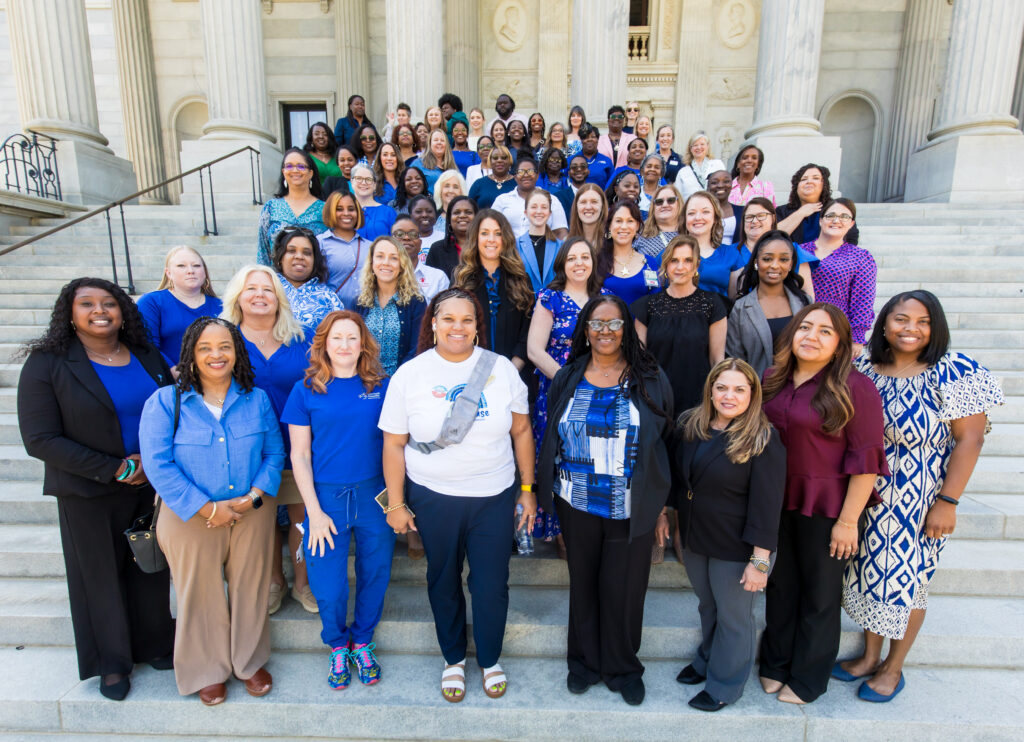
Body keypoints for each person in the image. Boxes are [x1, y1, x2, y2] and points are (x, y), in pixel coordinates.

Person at [837, 291, 1003, 702]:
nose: (910, 329)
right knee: (871, 577)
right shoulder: (863, 367)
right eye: (901, 319)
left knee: (907, 585)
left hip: (919, 496)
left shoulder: (955, 370)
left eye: (922, 321)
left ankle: (893, 668)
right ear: (884, 323)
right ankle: (869, 655)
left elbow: (971, 439)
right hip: (867, 493)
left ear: (936, 326)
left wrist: (947, 502)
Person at [19, 278, 175, 701]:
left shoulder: (145, 355)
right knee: (99, 578)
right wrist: (117, 469)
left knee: (150, 569)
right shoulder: (48, 362)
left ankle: (157, 645)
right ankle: (112, 663)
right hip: (88, 491)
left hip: (149, 485)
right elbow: (40, 439)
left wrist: (153, 461)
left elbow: (173, 407)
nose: (99, 310)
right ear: (69, 313)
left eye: (109, 303)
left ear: (124, 310)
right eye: (86, 304)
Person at [379, 288, 537, 702]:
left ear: (477, 326)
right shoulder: (410, 374)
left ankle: (489, 658)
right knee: (442, 578)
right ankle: (453, 659)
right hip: (435, 496)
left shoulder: (500, 369)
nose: (457, 327)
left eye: (467, 320)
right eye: (448, 319)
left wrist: (527, 489)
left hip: (495, 495)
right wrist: (396, 503)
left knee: (491, 584)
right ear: (433, 323)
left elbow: (521, 431)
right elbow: (394, 443)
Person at [535, 294, 674, 706]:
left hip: (630, 503)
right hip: (575, 500)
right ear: (585, 329)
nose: (606, 331)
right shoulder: (570, 374)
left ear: (627, 329)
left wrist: (662, 506)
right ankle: (583, 663)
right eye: (597, 323)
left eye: (615, 323)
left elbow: (664, 441)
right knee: (584, 584)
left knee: (625, 588)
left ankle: (622, 667)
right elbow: (554, 432)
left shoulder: (649, 376)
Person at [140, 317, 284, 705]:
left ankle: (249, 663)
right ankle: (207, 669)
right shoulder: (165, 401)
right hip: (189, 516)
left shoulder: (256, 399)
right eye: (205, 348)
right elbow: (158, 464)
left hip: (251, 510)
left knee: (250, 588)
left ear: (237, 352)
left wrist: (256, 496)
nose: (216, 355)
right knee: (199, 593)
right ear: (190, 354)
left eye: (224, 346)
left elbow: (274, 453)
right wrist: (205, 507)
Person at [758, 303, 888, 705]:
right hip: (776, 502)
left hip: (829, 506)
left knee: (819, 594)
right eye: (805, 327)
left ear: (840, 344)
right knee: (781, 587)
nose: (812, 336)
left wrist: (848, 522)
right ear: (791, 334)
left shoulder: (855, 387)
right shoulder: (772, 378)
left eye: (825, 331)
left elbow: (867, 459)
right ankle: (776, 663)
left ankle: (808, 677)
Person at [283, 311, 393, 689]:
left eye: (352, 338)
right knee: (327, 582)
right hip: (325, 498)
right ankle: (336, 643)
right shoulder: (305, 390)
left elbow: (397, 444)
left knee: (375, 572)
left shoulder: (382, 384)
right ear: (324, 344)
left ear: (363, 343)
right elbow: (299, 455)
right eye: (336, 338)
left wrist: (397, 499)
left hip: (374, 495)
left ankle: (362, 641)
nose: (344, 345)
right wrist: (312, 511)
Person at [672, 359, 786, 711]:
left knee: (735, 618)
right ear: (710, 390)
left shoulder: (764, 438)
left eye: (739, 389)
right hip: (696, 538)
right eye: (722, 387)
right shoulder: (693, 425)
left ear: (752, 394)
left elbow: (768, 506)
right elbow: (682, 482)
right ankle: (707, 659)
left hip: (738, 547)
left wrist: (760, 560)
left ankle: (724, 685)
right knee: (708, 606)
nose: (729, 395)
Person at [221, 265, 314, 616]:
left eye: (268, 289)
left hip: (298, 443)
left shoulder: (301, 338)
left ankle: (303, 582)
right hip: (248, 447)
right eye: (251, 289)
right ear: (238, 298)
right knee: (262, 519)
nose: (260, 295)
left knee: (301, 517)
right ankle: (275, 581)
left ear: (279, 298)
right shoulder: (225, 338)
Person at [526, 238, 609, 549]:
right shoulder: (550, 298)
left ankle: (587, 520)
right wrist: (569, 381)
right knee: (558, 454)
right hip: (559, 388)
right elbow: (535, 349)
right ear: (562, 264)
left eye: (585, 257)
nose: (579, 263)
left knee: (589, 456)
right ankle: (558, 526)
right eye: (572, 258)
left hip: (599, 390)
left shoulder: (605, 300)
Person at [633, 234, 727, 416]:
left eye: (687, 260)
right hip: (656, 401)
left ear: (696, 265)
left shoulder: (712, 305)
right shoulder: (646, 306)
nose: (680, 267)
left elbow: (717, 360)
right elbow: (640, 362)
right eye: (674, 260)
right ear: (666, 265)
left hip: (698, 403)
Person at [452, 210, 535, 368]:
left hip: (515, 372)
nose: (491, 240)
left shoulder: (521, 279)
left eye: (498, 233)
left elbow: (528, 332)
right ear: (476, 238)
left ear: (505, 239)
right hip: (469, 371)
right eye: (484, 233)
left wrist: (511, 370)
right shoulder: (461, 278)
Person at [727, 231, 812, 376]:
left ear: (791, 264)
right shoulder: (740, 309)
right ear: (756, 262)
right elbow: (735, 360)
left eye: (783, 260)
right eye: (767, 259)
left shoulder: (805, 303)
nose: (775, 265)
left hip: (800, 391)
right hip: (759, 392)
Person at [800, 198, 877, 352]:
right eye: (831, 215)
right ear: (821, 220)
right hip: (800, 321)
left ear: (851, 223)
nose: (837, 220)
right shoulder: (800, 250)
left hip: (835, 326)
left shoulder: (860, 257)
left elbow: (863, 299)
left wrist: (857, 337)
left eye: (844, 217)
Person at [354, 236, 427, 376]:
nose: (386, 263)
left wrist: (396, 381)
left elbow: (417, 349)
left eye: (393, 258)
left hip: (401, 382)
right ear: (371, 262)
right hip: (364, 382)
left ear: (402, 265)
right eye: (380, 256)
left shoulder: (416, 303)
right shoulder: (359, 302)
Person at [137, 246, 222, 366]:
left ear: (205, 272)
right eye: (181, 266)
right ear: (168, 273)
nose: (190, 271)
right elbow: (147, 345)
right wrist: (175, 372)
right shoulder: (151, 302)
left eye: (196, 266)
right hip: (170, 378)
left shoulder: (220, 305)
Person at [732, 197, 816, 300]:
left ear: (773, 218)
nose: (754, 221)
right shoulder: (730, 252)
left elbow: (808, 294)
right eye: (749, 217)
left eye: (761, 216)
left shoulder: (793, 250)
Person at [257, 148, 326, 266]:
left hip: (316, 280)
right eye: (289, 166)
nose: (295, 170)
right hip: (277, 280)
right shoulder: (271, 207)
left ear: (311, 173)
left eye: (301, 166)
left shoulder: (324, 209)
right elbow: (263, 252)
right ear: (283, 171)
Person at [272, 226, 344, 330]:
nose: (299, 256)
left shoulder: (329, 298)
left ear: (315, 260)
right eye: (291, 251)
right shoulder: (267, 290)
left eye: (307, 253)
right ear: (280, 257)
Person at [682, 190, 744, 300]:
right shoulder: (669, 254)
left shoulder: (731, 255)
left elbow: (735, 301)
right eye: (691, 213)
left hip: (719, 316)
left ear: (715, 218)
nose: (698, 217)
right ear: (685, 218)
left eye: (705, 212)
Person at [598, 200, 660, 306]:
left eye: (630, 221)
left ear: (637, 226)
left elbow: (656, 304)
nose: (624, 226)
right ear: (609, 226)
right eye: (618, 221)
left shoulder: (649, 263)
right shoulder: (597, 262)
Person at [493, 157, 570, 239]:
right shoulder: (502, 200)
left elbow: (561, 232)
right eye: (521, 172)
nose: (526, 175)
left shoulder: (552, 200)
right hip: (510, 250)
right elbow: (492, 228)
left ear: (537, 175)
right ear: (515, 177)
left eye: (530, 171)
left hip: (543, 249)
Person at [317, 190, 370, 309]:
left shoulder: (370, 247)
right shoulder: (320, 243)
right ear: (330, 211)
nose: (346, 213)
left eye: (351, 209)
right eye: (339, 209)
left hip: (367, 315)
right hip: (333, 315)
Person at [776, 163, 843, 245]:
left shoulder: (837, 210)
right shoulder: (781, 211)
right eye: (803, 179)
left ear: (824, 184)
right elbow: (772, 238)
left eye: (816, 178)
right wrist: (801, 213)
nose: (809, 181)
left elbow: (850, 240)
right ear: (796, 186)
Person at [392, 216, 450, 300]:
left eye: (413, 234)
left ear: (420, 243)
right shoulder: (382, 275)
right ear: (391, 240)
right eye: (399, 234)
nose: (406, 238)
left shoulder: (438, 277)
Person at [517, 189, 564, 292]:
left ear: (550, 213)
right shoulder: (514, 246)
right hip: (523, 305)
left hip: (553, 305)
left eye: (544, 207)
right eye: (534, 207)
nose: (539, 211)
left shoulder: (561, 246)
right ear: (526, 212)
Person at [426, 195, 477, 280]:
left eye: (468, 212)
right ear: (449, 219)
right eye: (457, 212)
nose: (462, 216)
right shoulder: (437, 249)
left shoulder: (485, 248)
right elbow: (430, 284)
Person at [350, 164, 398, 241]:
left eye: (368, 179)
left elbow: (397, 242)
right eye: (359, 178)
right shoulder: (344, 212)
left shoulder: (388, 212)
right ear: (352, 182)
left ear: (375, 184)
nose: (363, 183)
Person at [634, 184, 683, 258]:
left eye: (671, 200)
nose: (665, 205)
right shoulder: (641, 235)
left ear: (679, 204)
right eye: (659, 201)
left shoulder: (690, 233)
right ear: (653, 207)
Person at [674, 132, 725, 200]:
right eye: (695, 145)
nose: (699, 147)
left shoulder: (717, 164)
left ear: (707, 146)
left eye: (702, 144)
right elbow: (678, 195)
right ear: (690, 149)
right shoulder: (683, 172)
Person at [467, 145, 516, 209]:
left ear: (510, 161)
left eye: (504, 157)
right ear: (490, 161)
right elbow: (469, 208)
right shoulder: (479, 184)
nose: (499, 160)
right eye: (495, 158)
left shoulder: (517, 183)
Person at [410, 129, 457, 193]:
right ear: (430, 144)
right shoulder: (418, 164)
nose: (439, 142)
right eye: (436, 140)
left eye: (442, 140)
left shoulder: (453, 167)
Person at [567, 183, 607, 250]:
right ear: (576, 207)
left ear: (602, 206)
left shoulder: (612, 242)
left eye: (594, 202)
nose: (588, 207)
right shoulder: (566, 243)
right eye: (583, 202)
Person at [708, 170, 743, 245]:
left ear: (732, 185)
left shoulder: (742, 211)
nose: (720, 185)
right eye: (714, 182)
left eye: (726, 181)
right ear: (708, 187)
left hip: (734, 255)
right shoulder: (700, 212)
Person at [432, 169, 468, 235]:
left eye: (455, 187)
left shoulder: (468, 218)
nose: (451, 190)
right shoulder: (432, 216)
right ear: (440, 190)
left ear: (461, 191)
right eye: (447, 186)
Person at [579, 123, 613, 188]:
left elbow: (611, 185)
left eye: (593, 137)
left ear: (598, 139)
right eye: (586, 137)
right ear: (581, 140)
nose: (589, 139)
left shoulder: (607, 161)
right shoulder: (572, 160)